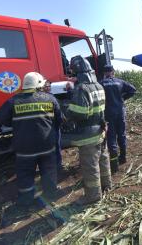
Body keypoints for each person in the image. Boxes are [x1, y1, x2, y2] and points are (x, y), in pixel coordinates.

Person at [0, 72, 62, 208]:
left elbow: (2, 119)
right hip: (47, 145)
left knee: (25, 174)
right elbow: (58, 120)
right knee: (48, 171)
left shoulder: (13, 101)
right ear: (39, 84)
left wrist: (18, 123)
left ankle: (26, 201)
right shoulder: (50, 99)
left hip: (24, 148)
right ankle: (50, 195)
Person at [62, 56, 112, 206]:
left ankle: (93, 197)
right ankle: (107, 185)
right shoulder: (98, 85)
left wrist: (66, 114)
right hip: (101, 129)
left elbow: (81, 112)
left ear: (77, 72)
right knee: (103, 159)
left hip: (88, 134)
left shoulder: (82, 88)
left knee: (90, 166)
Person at [100, 64, 136, 173]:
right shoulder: (120, 82)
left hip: (108, 113)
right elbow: (133, 90)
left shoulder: (101, 83)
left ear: (104, 73)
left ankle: (114, 165)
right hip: (120, 112)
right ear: (113, 71)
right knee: (121, 134)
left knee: (111, 137)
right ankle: (123, 157)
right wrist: (122, 98)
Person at [44, 80, 63, 170]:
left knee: (57, 146)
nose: (48, 88)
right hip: (47, 126)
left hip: (54, 126)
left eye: (49, 86)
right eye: (46, 86)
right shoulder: (42, 98)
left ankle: (58, 165)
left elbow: (58, 112)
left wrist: (59, 124)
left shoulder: (52, 96)